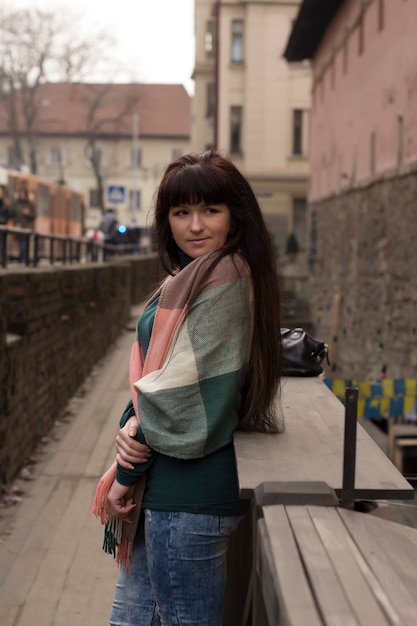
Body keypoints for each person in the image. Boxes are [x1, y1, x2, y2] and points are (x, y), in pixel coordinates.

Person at [92, 150, 283, 626]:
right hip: (167, 492)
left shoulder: (225, 278)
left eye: (210, 211)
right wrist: (132, 419)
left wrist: (126, 469)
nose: (195, 226)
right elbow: (156, 382)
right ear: (166, 221)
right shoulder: (191, 278)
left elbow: (177, 402)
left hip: (188, 499)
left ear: (234, 216)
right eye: (181, 212)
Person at [11, 186, 36, 263]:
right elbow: (12, 214)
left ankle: (24, 260)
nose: (22, 195)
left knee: (24, 245)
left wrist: (28, 213)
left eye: (23, 193)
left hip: (27, 227)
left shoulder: (30, 204)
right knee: (21, 245)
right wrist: (15, 223)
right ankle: (22, 259)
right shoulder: (16, 204)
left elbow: (34, 215)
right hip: (18, 227)